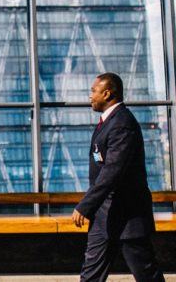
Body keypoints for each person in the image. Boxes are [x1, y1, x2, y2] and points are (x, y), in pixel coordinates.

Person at [71, 72, 164, 282]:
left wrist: (85, 206)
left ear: (107, 93)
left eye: (93, 91)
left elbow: (112, 171)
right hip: (104, 216)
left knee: (146, 273)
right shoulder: (109, 122)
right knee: (91, 274)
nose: (90, 96)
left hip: (126, 216)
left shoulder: (122, 123)